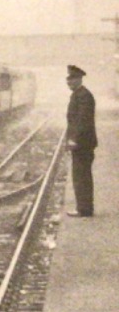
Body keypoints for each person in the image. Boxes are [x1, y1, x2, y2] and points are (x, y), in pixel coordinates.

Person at [65, 64, 96, 217]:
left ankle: (84, 209)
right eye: (68, 79)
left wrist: (74, 140)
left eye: (72, 79)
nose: (69, 82)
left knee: (81, 176)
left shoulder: (83, 96)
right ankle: (83, 208)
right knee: (80, 176)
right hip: (81, 143)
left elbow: (83, 121)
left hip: (82, 144)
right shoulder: (79, 94)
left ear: (79, 79)